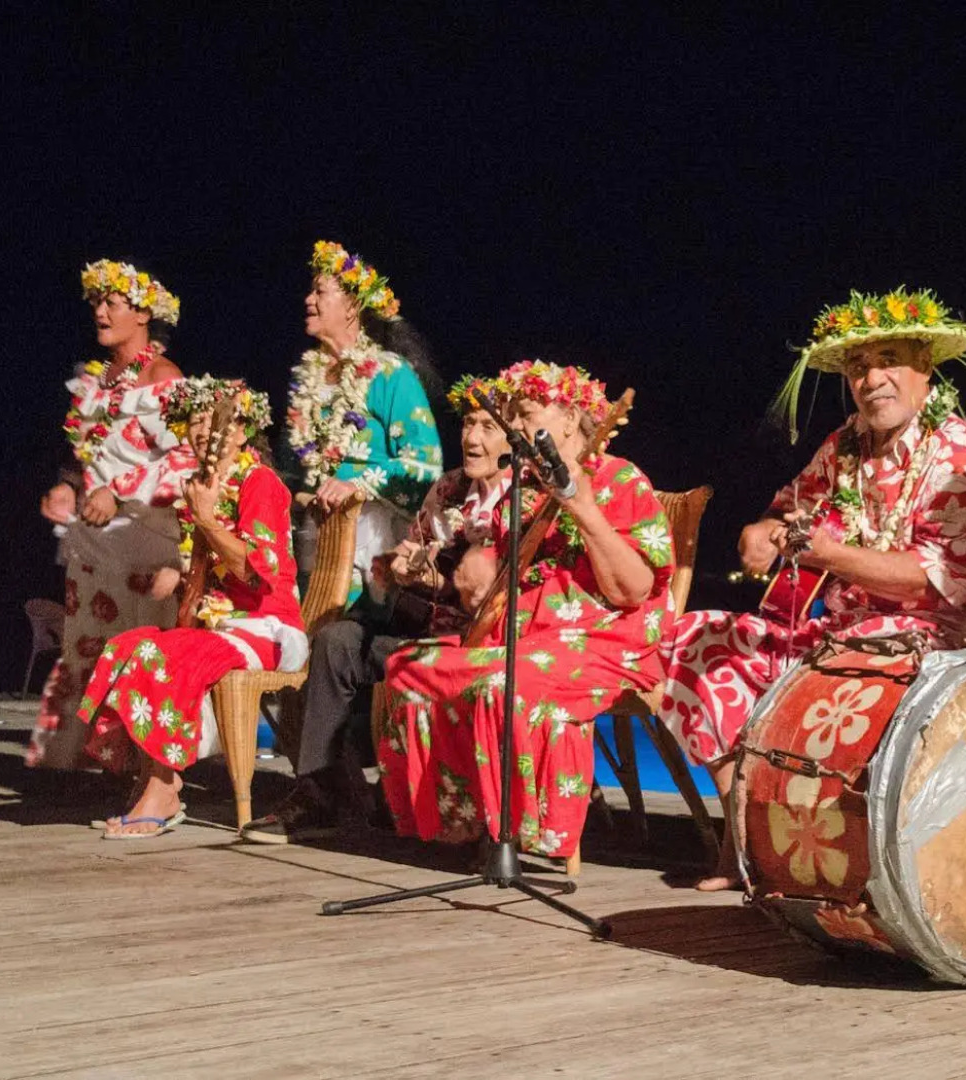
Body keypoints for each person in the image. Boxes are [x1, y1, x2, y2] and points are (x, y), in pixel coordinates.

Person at [656, 287, 966, 890]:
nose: (870, 378)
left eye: (888, 361)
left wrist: (832, 556)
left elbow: (938, 581)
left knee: (834, 673)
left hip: (927, 639)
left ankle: (835, 855)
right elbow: (784, 509)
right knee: (696, 641)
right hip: (835, 628)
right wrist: (762, 533)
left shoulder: (963, 456)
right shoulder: (846, 444)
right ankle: (742, 834)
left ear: (925, 367)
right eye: (857, 367)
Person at [375, 360, 674, 861]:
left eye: (525, 413)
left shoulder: (621, 479)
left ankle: (526, 831)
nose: (513, 426)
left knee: (504, 683)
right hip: (517, 637)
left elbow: (633, 590)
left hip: (601, 640)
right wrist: (464, 574)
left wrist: (580, 505)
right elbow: (486, 585)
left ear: (569, 419)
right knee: (408, 667)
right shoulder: (520, 490)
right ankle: (463, 821)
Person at [239, 372, 520, 843]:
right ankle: (321, 793)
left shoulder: (521, 497)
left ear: (512, 437)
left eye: (487, 427)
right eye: (468, 424)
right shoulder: (448, 489)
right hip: (427, 626)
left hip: (480, 639)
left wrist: (439, 580)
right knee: (337, 640)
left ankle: (399, 799)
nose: (471, 437)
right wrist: (398, 569)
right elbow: (416, 561)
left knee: (393, 658)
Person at [76, 378, 306, 837]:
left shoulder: (260, 482)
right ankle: (151, 779)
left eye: (215, 420)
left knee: (164, 655)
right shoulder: (200, 483)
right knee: (128, 645)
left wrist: (205, 520)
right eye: (195, 420)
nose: (202, 430)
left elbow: (256, 573)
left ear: (243, 431)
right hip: (219, 630)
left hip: (268, 629)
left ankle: (163, 788)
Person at [29, 260, 188, 771]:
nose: (99, 312)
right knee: (87, 643)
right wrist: (68, 487)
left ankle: (144, 766)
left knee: (135, 650)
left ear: (142, 313)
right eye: (96, 303)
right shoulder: (96, 382)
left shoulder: (163, 377)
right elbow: (87, 458)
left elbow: (184, 462)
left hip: (147, 541)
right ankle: (87, 759)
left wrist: (119, 496)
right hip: (96, 543)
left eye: (111, 303)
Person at [285, 240, 444, 603]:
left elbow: (425, 463)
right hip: (315, 531)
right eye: (310, 290)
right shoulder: (307, 380)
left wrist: (359, 485)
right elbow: (297, 464)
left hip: (371, 531)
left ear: (353, 306)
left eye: (320, 291)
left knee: (345, 637)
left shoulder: (388, 373)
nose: (309, 300)